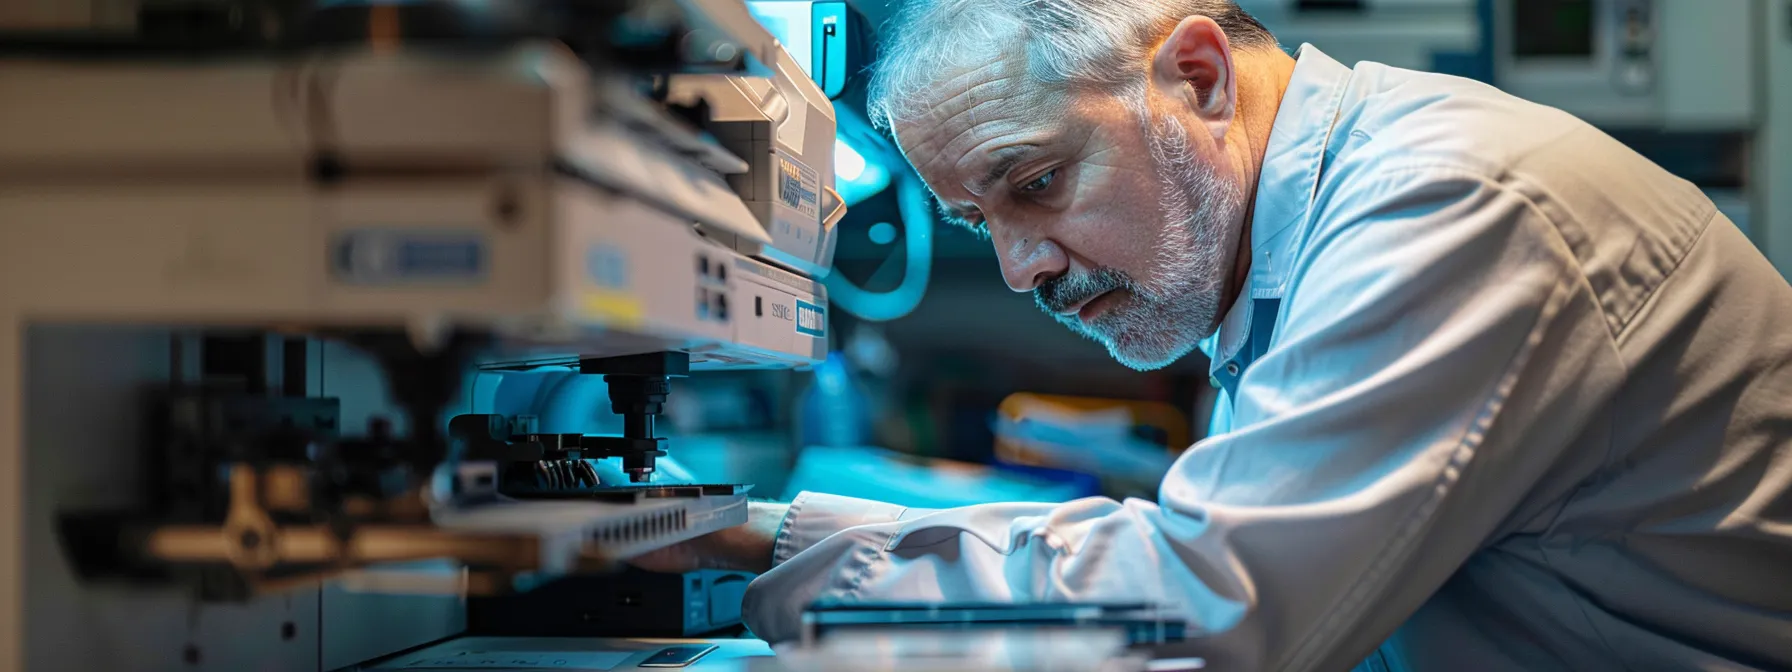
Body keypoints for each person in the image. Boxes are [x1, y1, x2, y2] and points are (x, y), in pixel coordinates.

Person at [633, 1, 1792, 669]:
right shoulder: (1303, 236)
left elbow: (1202, 607)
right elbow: (1202, 545)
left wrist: (772, 568)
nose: (1021, 265)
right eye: (976, 221)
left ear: (1194, 75)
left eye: (1034, 182)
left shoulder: (1449, 204)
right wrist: (765, 534)